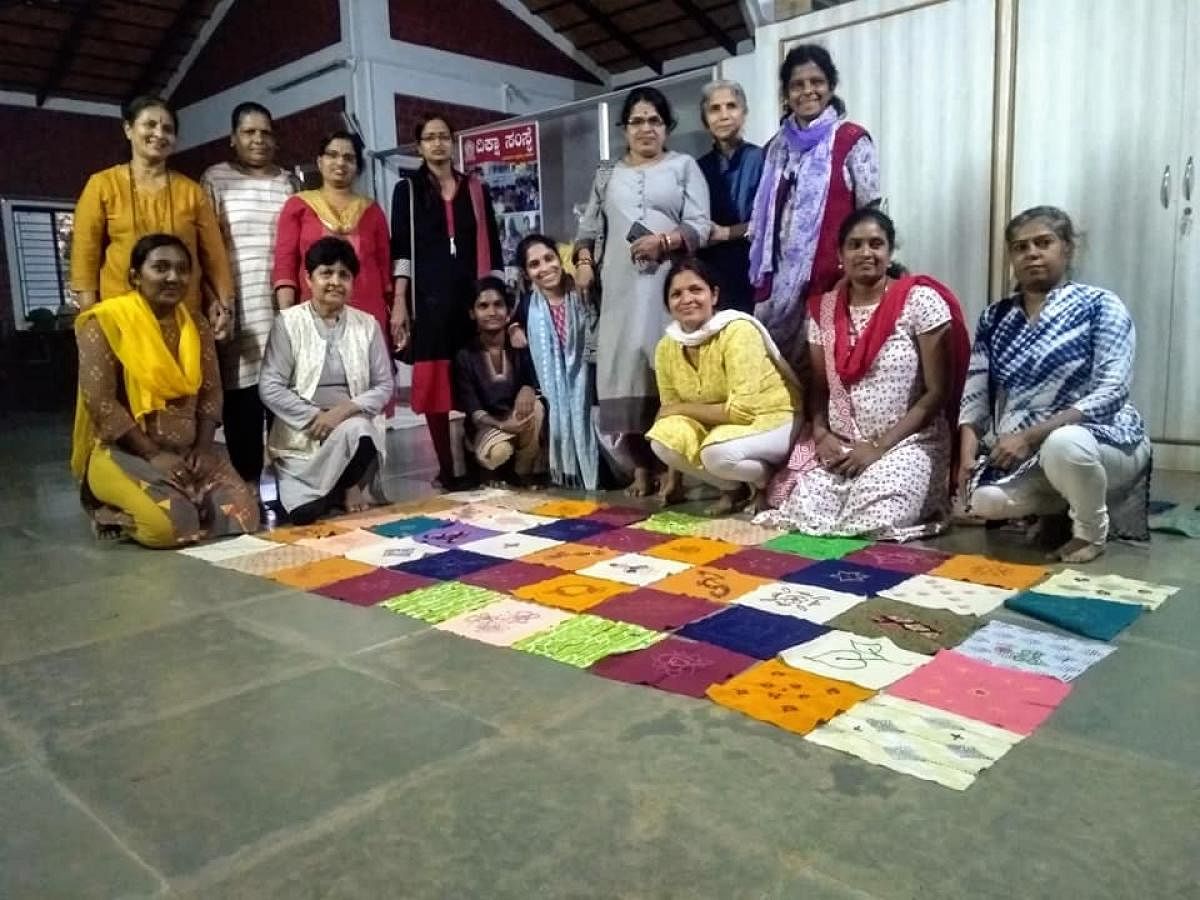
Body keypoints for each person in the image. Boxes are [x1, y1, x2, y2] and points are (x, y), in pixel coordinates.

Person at [756, 209, 970, 540]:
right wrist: (822, 433)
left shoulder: (919, 301)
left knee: (878, 514)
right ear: (840, 255)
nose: (866, 253)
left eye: (876, 244)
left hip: (908, 442)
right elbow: (819, 387)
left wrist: (878, 448)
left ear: (889, 251)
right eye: (855, 245)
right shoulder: (824, 310)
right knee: (802, 507)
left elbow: (937, 392)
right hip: (843, 444)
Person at [957, 206, 1152, 563]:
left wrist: (1032, 436)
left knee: (1063, 445)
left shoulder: (1100, 305)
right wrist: (967, 455)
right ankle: (1058, 509)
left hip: (1101, 438)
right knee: (985, 501)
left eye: (1043, 242)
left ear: (1067, 248)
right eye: (1020, 247)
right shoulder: (996, 316)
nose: (1031, 253)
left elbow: (1112, 391)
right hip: (1026, 451)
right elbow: (976, 390)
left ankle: (1089, 533)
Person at [70, 234, 258, 547]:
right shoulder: (104, 323)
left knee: (242, 518)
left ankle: (187, 501)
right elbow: (100, 402)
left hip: (187, 451)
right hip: (126, 451)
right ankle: (109, 512)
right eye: (160, 268)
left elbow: (211, 392)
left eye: (182, 269)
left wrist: (203, 448)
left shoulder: (196, 325)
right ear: (135, 276)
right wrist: (153, 454)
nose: (173, 277)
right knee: (170, 529)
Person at [575, 87, 712, 496]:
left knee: (666, 373)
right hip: (616, 290)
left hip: (667, 289)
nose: (646, 128)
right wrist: (583, 264)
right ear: (624, 128)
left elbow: (701, 225)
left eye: (654, 120)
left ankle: (674, 469)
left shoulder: (684, 166)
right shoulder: (606, 173)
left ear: (667, 127)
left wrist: (665, 243)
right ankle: (640, 468)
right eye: (637, 121)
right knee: (621, 376)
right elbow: (587, 230)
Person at [748, 44, 881, 371]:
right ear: (786, 93)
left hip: (829, 278)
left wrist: (851, 271)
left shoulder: (851, 140)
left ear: (831, 86)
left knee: (825, 372)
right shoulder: (774, 147)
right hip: (777, 283)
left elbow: (871, 215)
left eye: (816, 81)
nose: (808, 90)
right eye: (797, 84)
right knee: (775, 374)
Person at [391, 114, 503, 490]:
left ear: (453, 142)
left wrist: (495, 299)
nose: (438, 143)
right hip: (429, 304)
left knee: (476, 382)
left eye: (444, 136)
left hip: (471, 302)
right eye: (429, 138)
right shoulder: (406, 192)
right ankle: (447, 468)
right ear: (419, 146)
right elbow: (401, 252)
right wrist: (401, 301)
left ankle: (481, 456)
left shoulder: (475, 188)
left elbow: (494, 246)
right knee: (437, 389)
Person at [71, 95, 234, 339]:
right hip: (120, 320)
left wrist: (225, 308)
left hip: (183, 317)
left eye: (168, 129)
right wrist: (90, 319)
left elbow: (215, 258)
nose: (159, 133)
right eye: (150, 125)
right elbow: (85, 258)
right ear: (128, 129)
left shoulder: (191, 192)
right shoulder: (102, 186)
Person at [648, 258, 801, 515]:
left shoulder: (737, 331)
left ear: (714, 295)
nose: (687, 299)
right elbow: (670, 412)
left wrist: (680, 408)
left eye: (696, 290)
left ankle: (766, 483)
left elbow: (742, 412)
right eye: (677, 294)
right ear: (668, 306)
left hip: (773, 417)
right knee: (663, 439)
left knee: (715, 454)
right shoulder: (666, 347)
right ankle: (733, 489)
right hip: (723, 427)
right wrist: (674, 482)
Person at [259, 238, 395, 525]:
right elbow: (270, 386)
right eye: (326, 273)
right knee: (303, 516)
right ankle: (336, 492)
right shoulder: (289, 322)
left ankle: (350, 486)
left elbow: (384, 385)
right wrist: (314, 417)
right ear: (308, 279)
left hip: (347, 426)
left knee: (360, 430)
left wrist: (341, 412)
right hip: (302, 433)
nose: (335, 281)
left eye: (344, 275)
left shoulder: (366, 324)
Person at [201, 101, 297, 501]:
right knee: (242, 410)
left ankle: (294, 492)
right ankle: (249, 496)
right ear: (233, 138)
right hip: (238, 313)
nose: (258, 140)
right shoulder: (214, 179)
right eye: (249, 132)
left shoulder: (287, 182)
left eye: (265, 132)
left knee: (286, 404)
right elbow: (205, 248)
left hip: (283, 312)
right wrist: (214, 303)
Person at [272, 130, 394, 341]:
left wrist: (395, 310)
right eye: (332, 155)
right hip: (314, 311)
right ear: (319, 161)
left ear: (357, 167)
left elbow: (385, 267)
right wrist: (288, 314)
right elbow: (286, 261)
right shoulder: (299, 205)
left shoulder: (372, 210)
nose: (340, 162)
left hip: (367, 313)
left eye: (349, 158)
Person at [507, 233, 599, 489]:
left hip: (591, 384)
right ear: (527, 274)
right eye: (535, 264)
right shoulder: (527, 307)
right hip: (552, 395)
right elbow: (523, 353)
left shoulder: (585, 289)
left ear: (560, 259)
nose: (545, 268)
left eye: (549, 258)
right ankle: (564, 470)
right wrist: (513, 328)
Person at [453, 277, 545, 485]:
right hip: (488, 426)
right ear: (472, 313)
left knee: (537, 407)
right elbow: (474, 410)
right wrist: (504, 426)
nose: (492, 312)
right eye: (483, 306)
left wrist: (528, 387)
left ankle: (523, 473)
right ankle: (492, 475)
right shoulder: (465, 356)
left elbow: (534, 380)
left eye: (498, 304)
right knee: (499, 452)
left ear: (509, 311)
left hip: (518, 420)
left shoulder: (519, 348)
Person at [696, 79, 765, 315]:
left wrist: (727, 233)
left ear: (744, 113)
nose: (724, 115)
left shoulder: (764, 159)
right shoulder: (696, 168)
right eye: (715, 109)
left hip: (754, 270)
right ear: (705, 121)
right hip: (711, 270)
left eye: (731, 106)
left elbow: (775, 220)